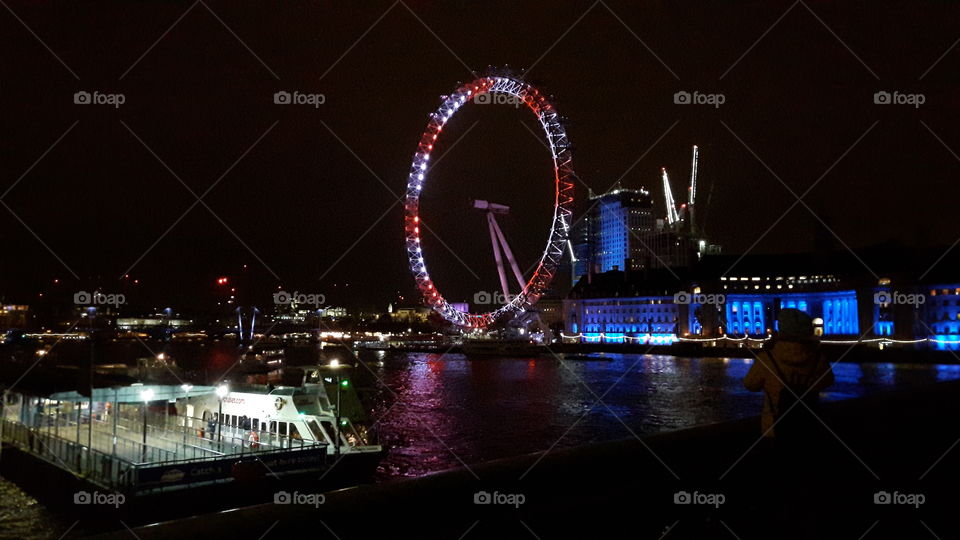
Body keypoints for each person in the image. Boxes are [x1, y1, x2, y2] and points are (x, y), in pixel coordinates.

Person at [744, 308, 834, 442]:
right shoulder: (817, 358)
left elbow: (750, 384)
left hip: (773, 429)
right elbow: (828, 381)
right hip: (809, 428)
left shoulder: (768, 358)